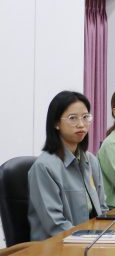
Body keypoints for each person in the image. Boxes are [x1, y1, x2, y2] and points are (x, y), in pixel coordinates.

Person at [28, 91, 108, 240]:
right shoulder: (44, 167)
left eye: (85, 117)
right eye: (73, 118)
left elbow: (102, 209)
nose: (81, 124)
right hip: (58, 245)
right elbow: (56, 225)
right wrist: (91, 240)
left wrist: (109, 236)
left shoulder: (91, 160)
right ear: (56, 123)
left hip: (91, 240)